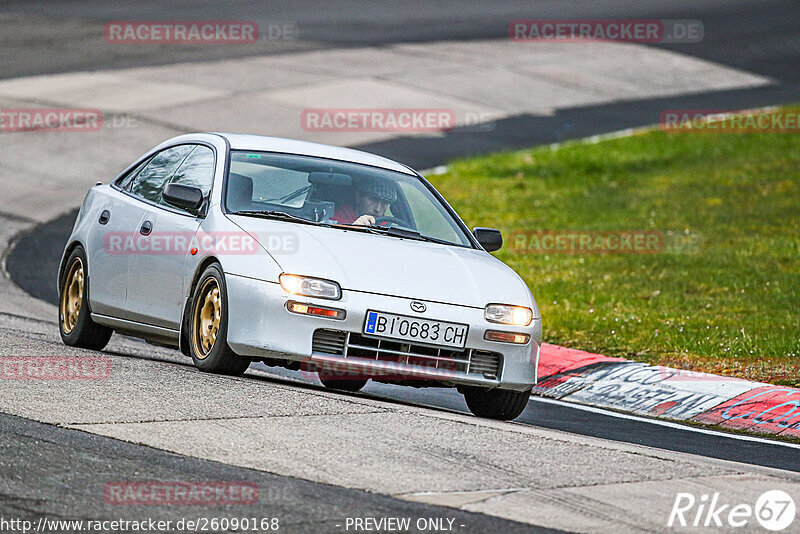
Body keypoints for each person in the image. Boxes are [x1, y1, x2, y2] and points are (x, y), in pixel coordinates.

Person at [333, 175, 397, 225]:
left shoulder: (387, 226)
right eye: (373, 199)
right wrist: (352, 229)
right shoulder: (335, 220)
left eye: (384, 203)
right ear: (358, 196)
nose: (378, 209)